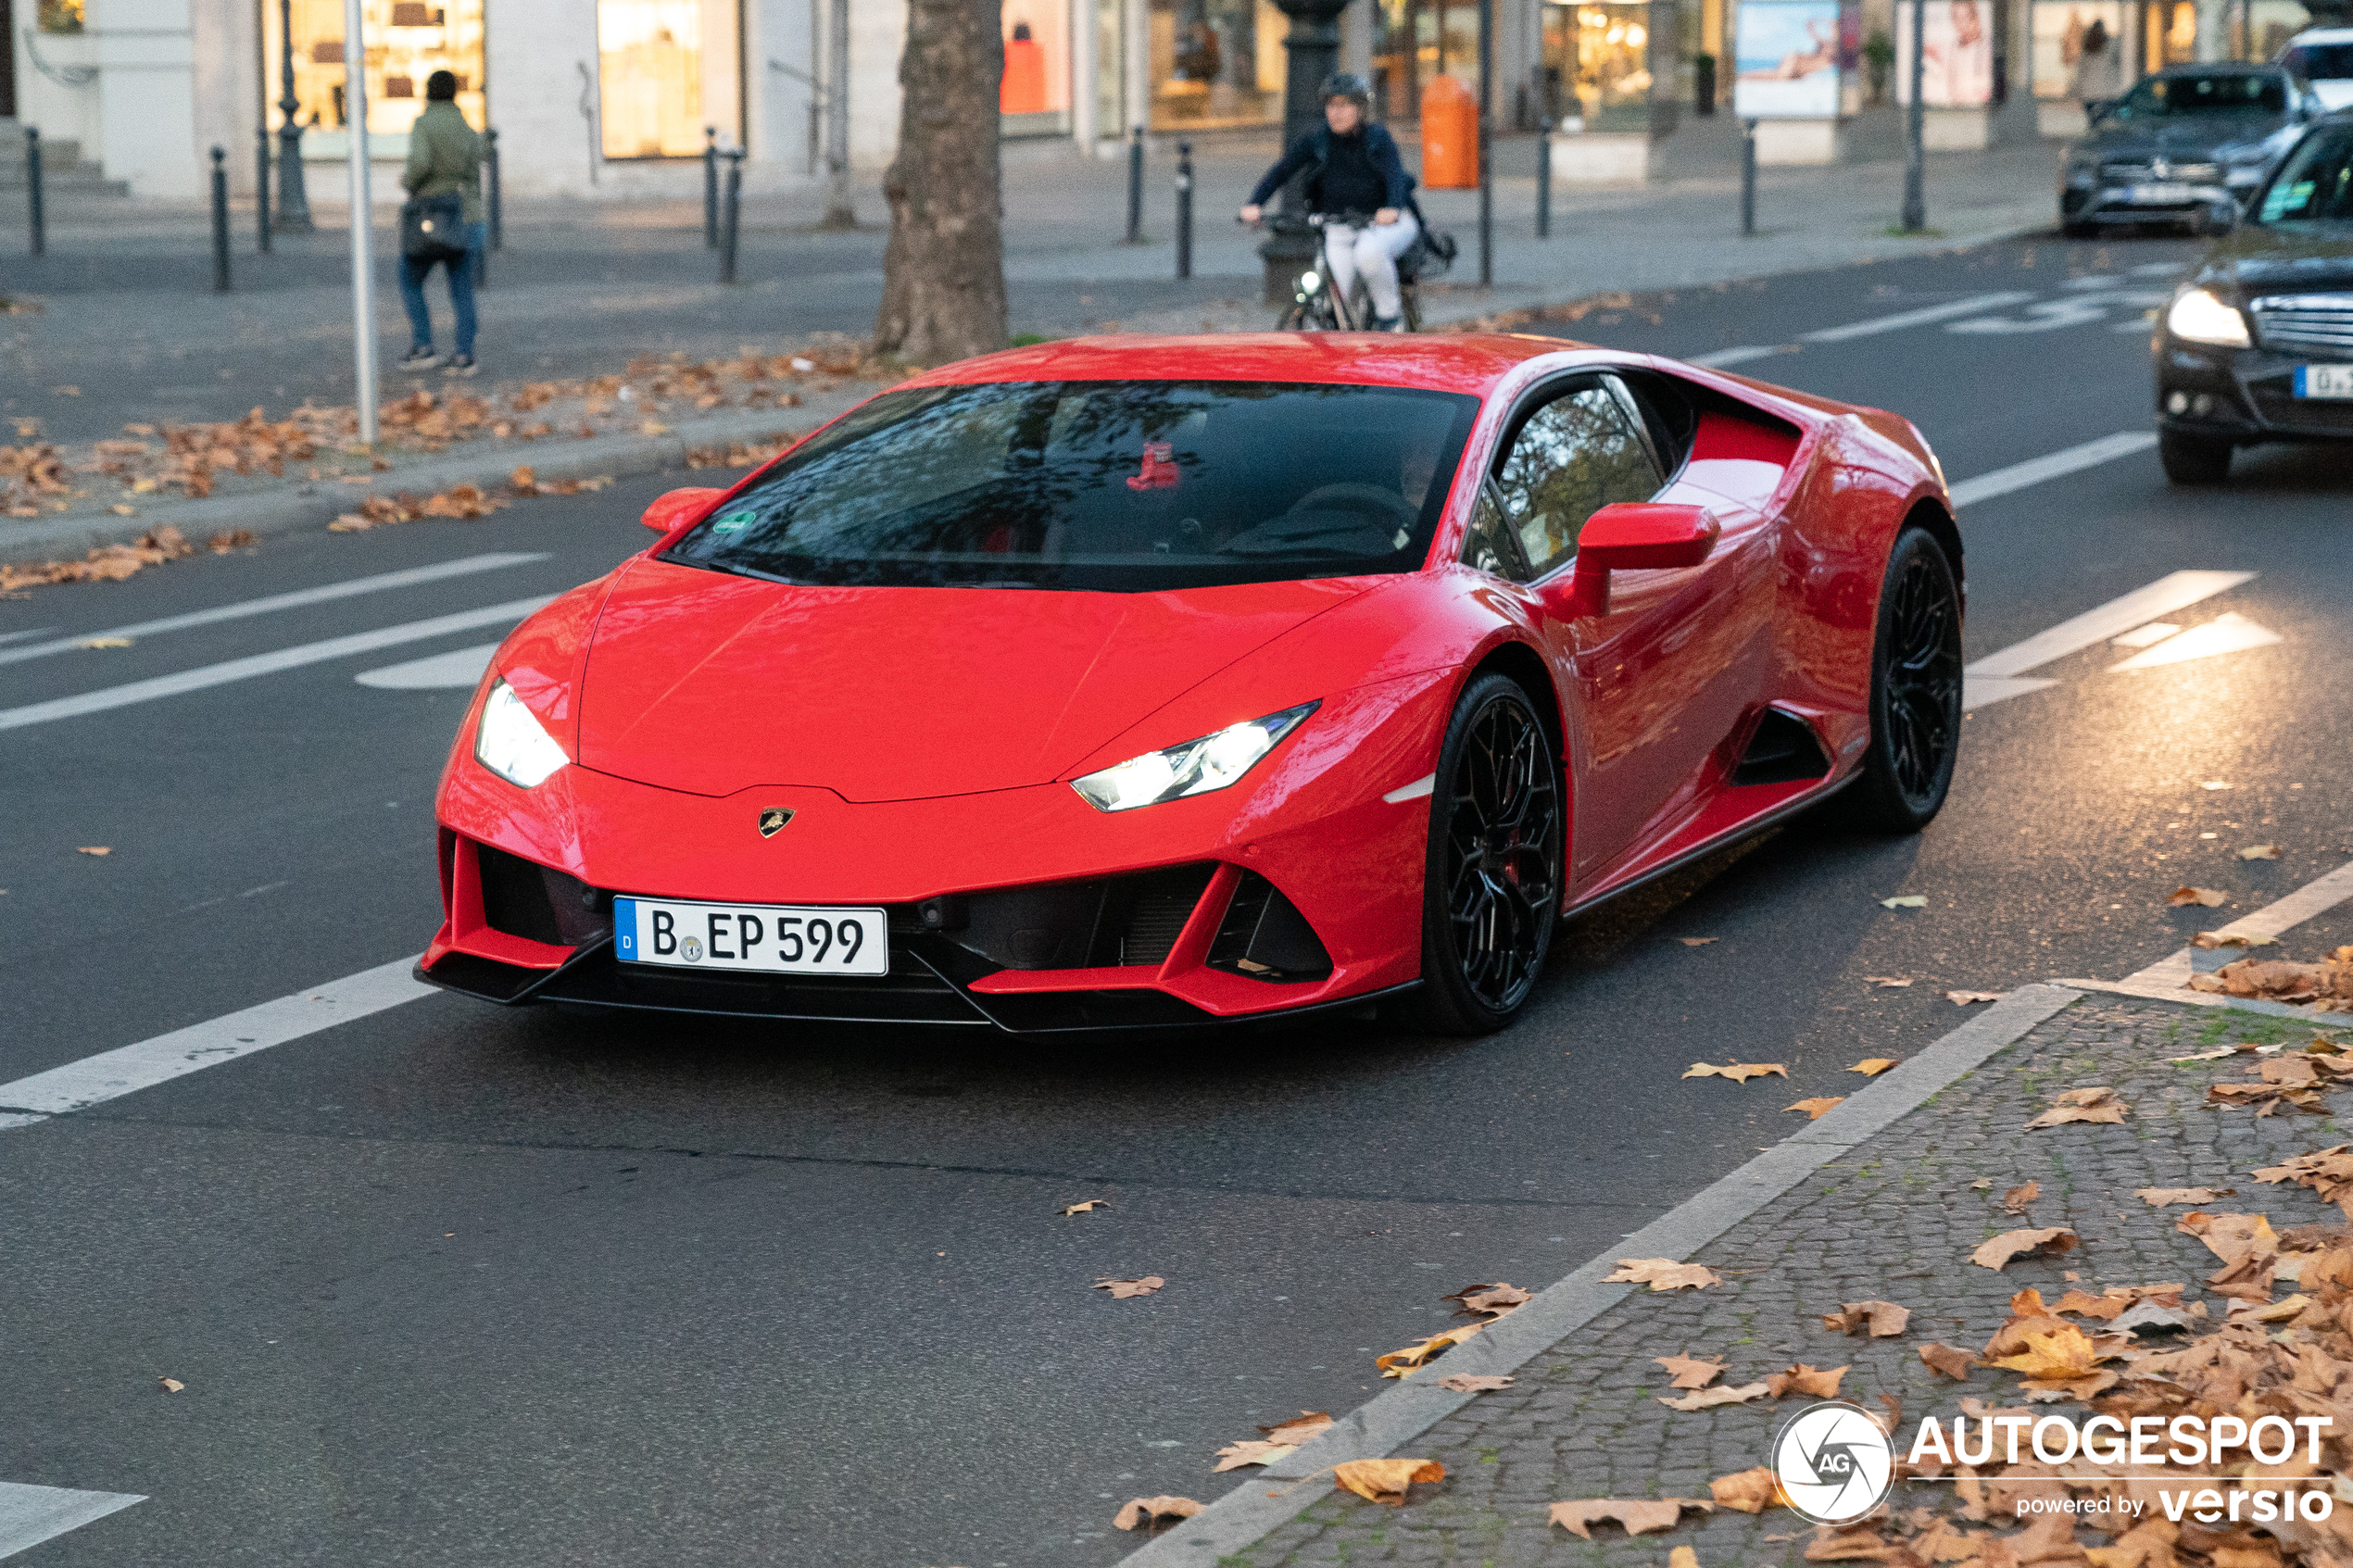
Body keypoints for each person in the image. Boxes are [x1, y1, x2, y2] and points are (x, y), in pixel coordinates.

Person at [1239, 73, 1421, 332]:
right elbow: (1282, 170)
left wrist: (1391, 207)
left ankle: (1390, 319)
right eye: (1331, 105)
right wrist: (1255, 203)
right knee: (1336, 297)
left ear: (1360, 109)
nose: (1337, 113)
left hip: (1382, 225)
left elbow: (1395, 178)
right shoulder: (1318, 141)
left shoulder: (1378, 138)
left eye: (1345, 105)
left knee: (1369, 254)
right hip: (1337, 227)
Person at [397, 70, 485, 376]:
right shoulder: (465, 126)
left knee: (410, 280)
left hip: (431, 217)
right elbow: (478, 161)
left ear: (428, 92)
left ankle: (423, 347)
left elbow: (420, 162)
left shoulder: (424, 124)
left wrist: (409, 182)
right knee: (462, 290)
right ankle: (464, 355)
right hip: (466, 217)